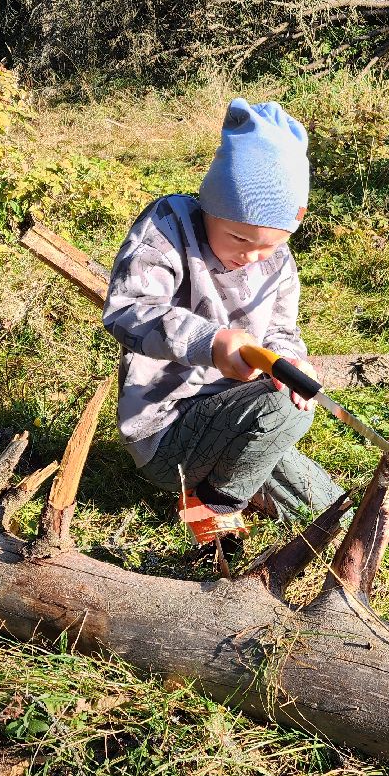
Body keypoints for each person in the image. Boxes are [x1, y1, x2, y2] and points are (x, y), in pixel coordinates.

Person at [103, 98, 342, 558]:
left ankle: (231, 481)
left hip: (238, 423)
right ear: (211, 205)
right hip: (166, 429)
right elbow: (127, 309)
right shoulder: (171, 225)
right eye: (239, 238)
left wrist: (289, 359)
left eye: (270, 244)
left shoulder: (278, 262)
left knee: (331, 511)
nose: (252, 255)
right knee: (283, 409)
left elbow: (282, 333)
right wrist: (208, 343)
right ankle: (210, 504)